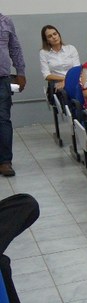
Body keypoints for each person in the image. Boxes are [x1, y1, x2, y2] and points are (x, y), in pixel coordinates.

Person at [0, 12, 25, 178]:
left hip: (2, 78)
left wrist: (20, 71)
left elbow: (15, 48)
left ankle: (5, 161)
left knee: (3, 119)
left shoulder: (5, 21)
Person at [39, 25, 80, 100]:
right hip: (57, 84)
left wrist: (67, 81)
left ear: (59, 35)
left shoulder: (71, 48)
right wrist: (65, 79)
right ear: (47, 40)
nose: (54, 37)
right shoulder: (43, 53)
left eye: (55, 34)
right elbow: (46, 75)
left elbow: (77, 69)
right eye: (50, 36)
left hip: (74, 80)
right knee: (63, 93)